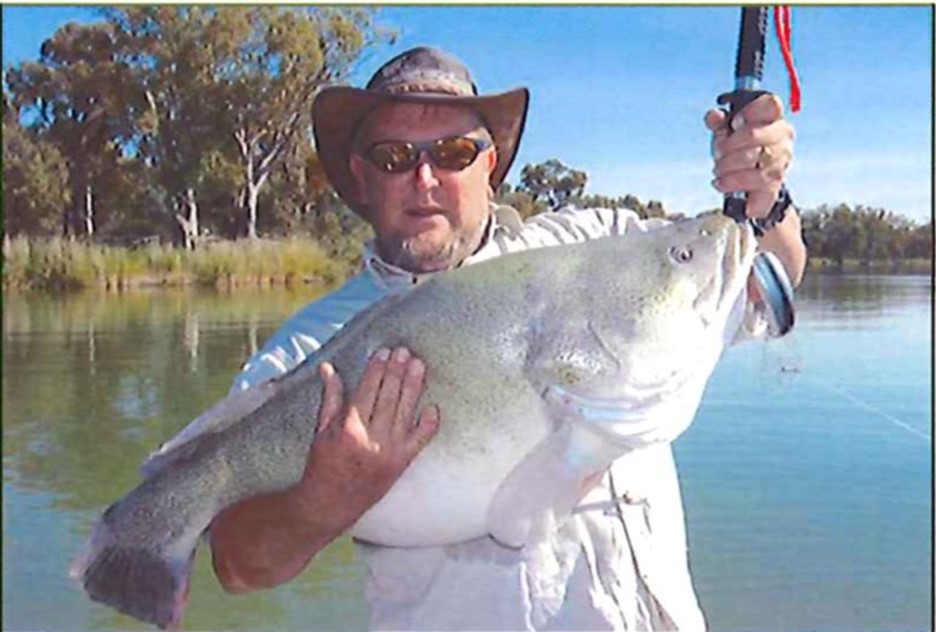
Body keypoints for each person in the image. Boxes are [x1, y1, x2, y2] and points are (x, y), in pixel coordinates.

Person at [208, 46, 807, 630]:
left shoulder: (601, 243)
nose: (425, 178)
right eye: (393, 156)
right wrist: (323, 498)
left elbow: (762, 281)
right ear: (361, 176)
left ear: (488, 167)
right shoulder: (305, 356)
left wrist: (765, 199)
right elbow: (237, 566)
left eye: (453, 151)